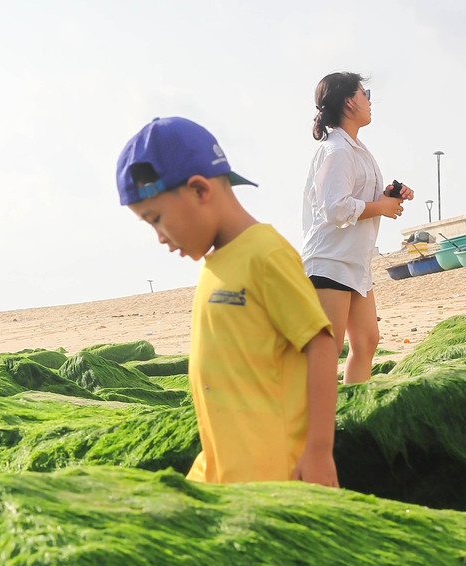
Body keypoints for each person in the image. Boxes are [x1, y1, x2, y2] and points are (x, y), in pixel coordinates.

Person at [116, 117, 338, 487]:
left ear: (200, 190)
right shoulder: (215, 264)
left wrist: (318, 452)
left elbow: (321, 344)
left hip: (272, 475)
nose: (159, 237)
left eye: (156, 219)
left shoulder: (266, 254)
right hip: (222, 469)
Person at [300, 72, 414, 384]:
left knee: (366, 342)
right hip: (331, 261)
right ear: (350, 102)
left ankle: (351, 414)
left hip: (354, 262)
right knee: (328, 349)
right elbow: (334, 208)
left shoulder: (354, 148)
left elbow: (353, 199)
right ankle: (316, 424)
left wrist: (388, 197)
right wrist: (381, 207)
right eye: (365, 95)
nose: (369, 102)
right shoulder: (337, 150)